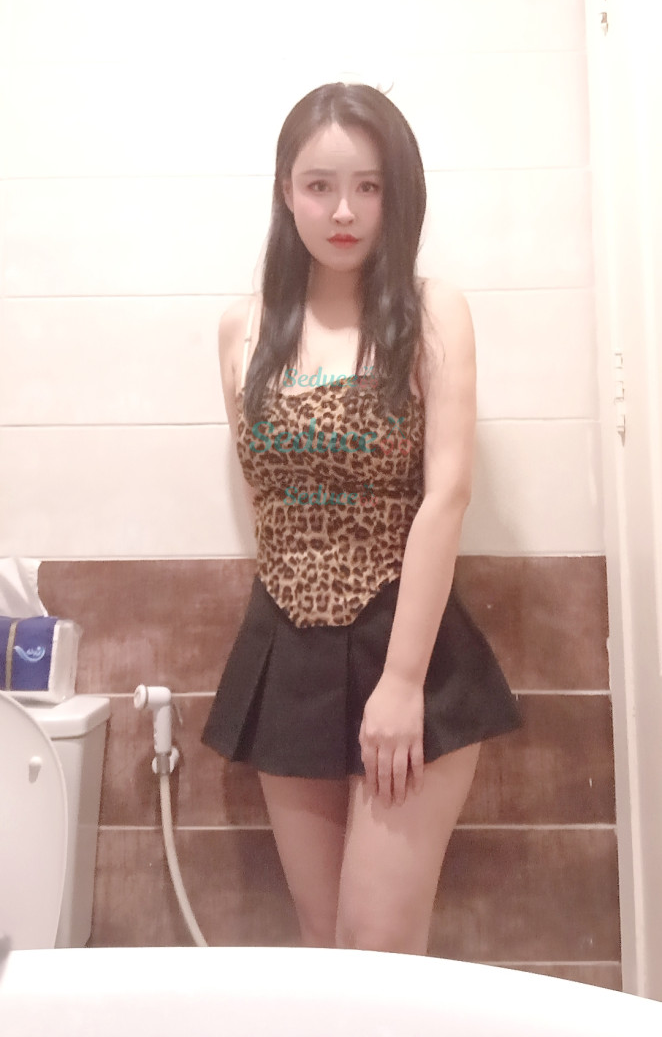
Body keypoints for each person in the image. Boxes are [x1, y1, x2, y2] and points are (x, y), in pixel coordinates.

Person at [202, 82, 522, 955]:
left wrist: (404, 680)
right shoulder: (241, 330)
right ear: (286, 191)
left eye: (369, 186)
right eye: (320, 186)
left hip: (403, 641)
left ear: (397, 194)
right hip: (285, 645)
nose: (343, 211)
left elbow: (447, 494)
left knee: (377, 945)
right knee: (323, 947)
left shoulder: (429, 312)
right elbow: (267, 496)